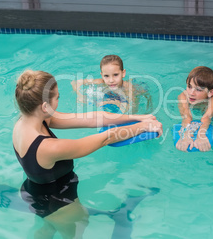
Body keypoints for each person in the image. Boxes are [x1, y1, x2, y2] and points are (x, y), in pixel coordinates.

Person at [13, 70, 162, 238]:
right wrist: (143, 127)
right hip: (59, 201)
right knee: (76, 230)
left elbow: (90, 118)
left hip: (33, 190)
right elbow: (106, 138)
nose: (58, 101)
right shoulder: (48, 147)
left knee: (48, 228)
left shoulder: (26, 121)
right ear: (44, 106)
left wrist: (138, 118)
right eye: (57, 98)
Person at [71, 54, 152, 114]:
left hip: (139, 89)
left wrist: (115, 103)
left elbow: (132, 111)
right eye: (106, 76)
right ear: (102, 75)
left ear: (123, 73)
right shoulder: (101, 82)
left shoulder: (129, 89)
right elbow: (75, 82)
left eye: (115, 75)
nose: (111, 80)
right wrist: (80, 96)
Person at [176, 66, 213, 152]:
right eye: (189, 86)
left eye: (198, 89)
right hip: (195, 109)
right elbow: (187, 116)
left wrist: (201, 135)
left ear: (210, 92)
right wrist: (186, 135)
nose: (191, 93)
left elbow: (207, 117)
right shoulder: (183, 96)